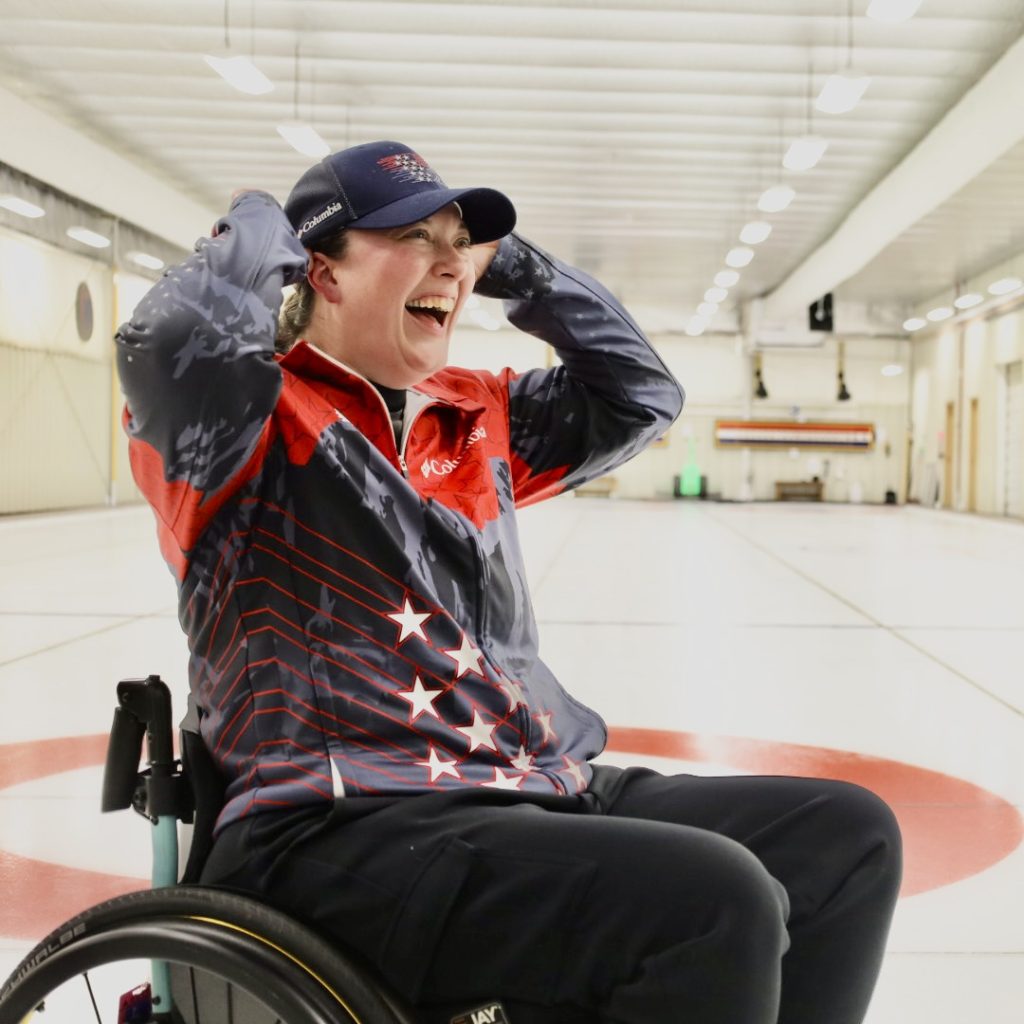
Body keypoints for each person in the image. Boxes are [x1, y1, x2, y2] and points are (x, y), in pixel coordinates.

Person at [116, 140, 901, 1024]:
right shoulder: (241, 418)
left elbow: (642, 396)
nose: (451, 261)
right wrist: (264, 219)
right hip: (345, 822)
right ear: (322, 271)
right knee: (715, 902)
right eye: (414, 235)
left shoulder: (473, 413)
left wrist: (519, 272)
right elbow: (172, 338)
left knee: (849, 838)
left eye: (461, 240)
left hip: (527, 781)